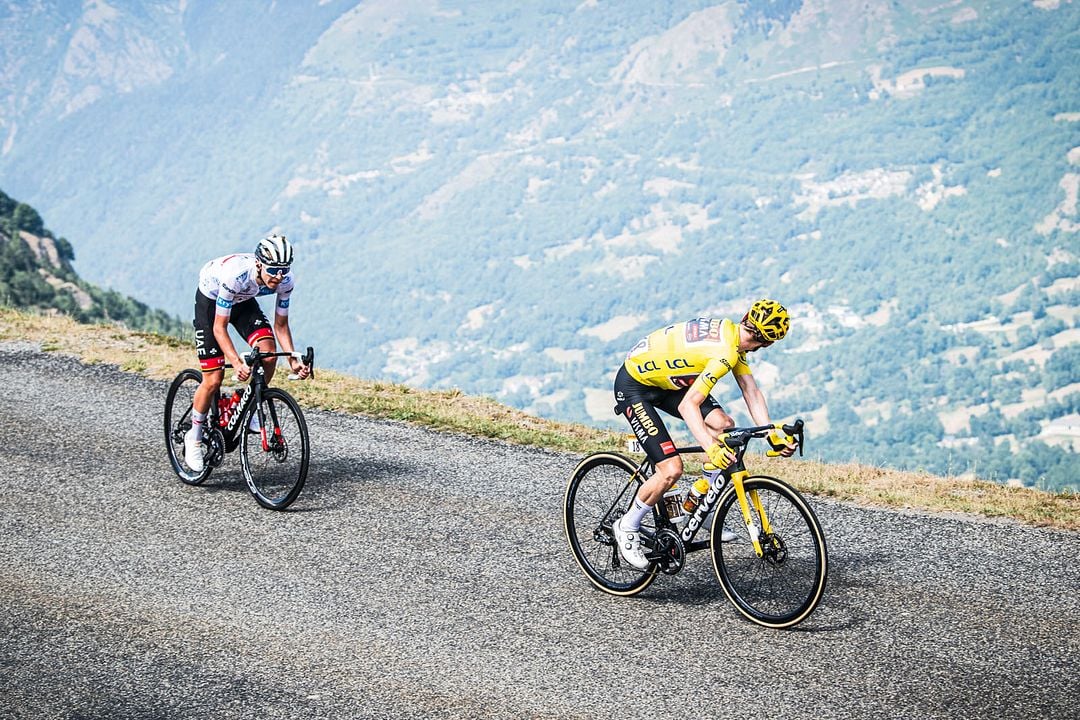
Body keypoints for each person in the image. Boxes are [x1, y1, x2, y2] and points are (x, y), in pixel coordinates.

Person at [611, 299, 798, 570]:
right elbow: (689, 406)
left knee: (723, 425)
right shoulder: (726, 353)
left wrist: (771, 434)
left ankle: (699, 504)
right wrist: (710, 448)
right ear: (768, 343)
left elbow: (751, 391)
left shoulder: (734, 337)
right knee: (671, 469)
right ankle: (627, 525)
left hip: (669, 382)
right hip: (635, 386)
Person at [183, 234, 311, 472]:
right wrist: (236, 362)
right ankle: (195, 437)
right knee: (213, 378)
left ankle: (252, 403)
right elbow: (219, 328)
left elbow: (281, 326)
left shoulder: (285, 281)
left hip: (244, 302)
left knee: (269, 354)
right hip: (212, 302)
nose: (279, 276)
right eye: (273, 269)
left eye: (284, 269)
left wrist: (293, 358)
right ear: (259, 264)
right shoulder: (236, 276)